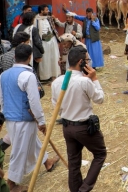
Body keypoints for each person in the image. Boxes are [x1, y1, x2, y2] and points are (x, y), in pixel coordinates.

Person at [0, 44, 59, 191]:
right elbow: (34, 101)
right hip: (24, 119)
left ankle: (47, 162)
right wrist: (41, 121)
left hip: (10, 117)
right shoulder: (28, 75)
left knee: (34, 143)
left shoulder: (4, 75)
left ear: (14, 57)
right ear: (30, 57)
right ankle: (12, 183)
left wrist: (4, 114)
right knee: (20, 150)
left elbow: (1, 98)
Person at [52, 46, 106, 192]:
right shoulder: (85, 81)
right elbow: (100, 99)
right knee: (100, 154)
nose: (89, 63)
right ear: (81, 62)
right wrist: (95, 79)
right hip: (84, 127)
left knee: (74, 162)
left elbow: (56, 105)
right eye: (87, 60)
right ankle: (84, 189)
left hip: (67, 127)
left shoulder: (57, 82)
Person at [35, 5, 60, 82]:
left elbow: (53, 29)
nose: (48, 11)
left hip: (52, 40)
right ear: (41, 11)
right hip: (43, 42)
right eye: (46, 10)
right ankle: (45, 77)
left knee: (54, 57)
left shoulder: (49, 18)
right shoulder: (36, 20)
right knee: (45, 59)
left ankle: (53, 75)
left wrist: (58, 40)